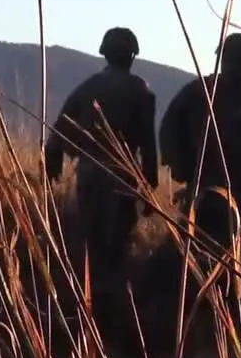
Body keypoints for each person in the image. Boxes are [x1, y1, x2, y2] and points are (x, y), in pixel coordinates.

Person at [44, 27, 159, 287]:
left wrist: (52, 165)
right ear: (132, 56)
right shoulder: (141, 92)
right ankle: (111, 297)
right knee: (116, 247)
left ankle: (88, 293)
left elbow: (57, 131)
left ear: (105, 53)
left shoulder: (88, 87)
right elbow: (148, 145)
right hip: (122, 179)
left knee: (90, 240)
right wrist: (149, 186)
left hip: (88, 174)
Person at [159, 32, 241, 234]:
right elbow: (169, 131)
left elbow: (168, 130)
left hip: (239, 195)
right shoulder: (200, 90)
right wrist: (183, 171)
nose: (233, 65)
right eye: (231, 60)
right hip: (204, 188)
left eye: (237, 61)